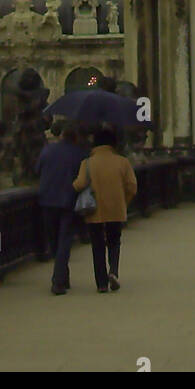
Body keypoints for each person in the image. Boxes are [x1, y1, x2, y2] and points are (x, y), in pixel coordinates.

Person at [73, 123, 137, 293]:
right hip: (116, 208)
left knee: (97, 244)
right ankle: (114, 272)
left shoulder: (87, 163)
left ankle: (101, 283)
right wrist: (124, 202)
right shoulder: (123, 162)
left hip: (94, 209)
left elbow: (79, 184)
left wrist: (72, 185)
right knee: (114, 241)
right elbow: (132, 186)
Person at [37, 120, 86, 295]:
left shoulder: (47, 150)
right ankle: (59, 280)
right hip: (68, 201)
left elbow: (38, 170)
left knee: (54, 240)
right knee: (64, 240)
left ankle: (62, 277)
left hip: (47, 199)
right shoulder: (79, 154)